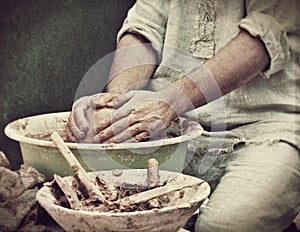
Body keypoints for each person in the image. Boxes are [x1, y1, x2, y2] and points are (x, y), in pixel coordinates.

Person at [67, 0, 300, 231]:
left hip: (265, 127)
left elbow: (262, 38)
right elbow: (143, 29)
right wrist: (115, 104)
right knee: (97, 206)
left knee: (222, 227)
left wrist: (169, 101)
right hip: (173, 129)